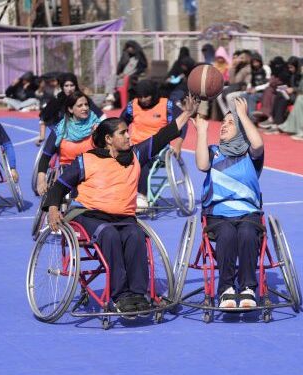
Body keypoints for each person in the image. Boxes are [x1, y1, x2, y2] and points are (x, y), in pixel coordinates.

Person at [43, 95, 198, 313]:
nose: (129, 135)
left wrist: (187, 114)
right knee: (109, 235)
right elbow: (59, 186)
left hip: (123, 218)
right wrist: (52, 208)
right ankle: (120, 295)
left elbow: (164, 136)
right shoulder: (87, 160)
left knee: (135, 236)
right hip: (88, 215)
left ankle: (138, 293)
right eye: (123, 133)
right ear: (108, 139)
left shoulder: (135, 155)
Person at [194, 97, 264, 309]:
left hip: (248, 213)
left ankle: (248, 288)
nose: (224, 125)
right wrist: (202, 131)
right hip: (218, 214)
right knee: (226, 234)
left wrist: (241, 115)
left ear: (242, 129)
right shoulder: (214, 151)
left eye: (230, 123)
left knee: (246, 233)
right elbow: (201, 165)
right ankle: (226, 288)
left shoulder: (250, 155)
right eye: (223, 122)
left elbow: (258, 143)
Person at [120, 80, 186, 209]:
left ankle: (142, 195)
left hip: (158, 148)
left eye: (146, 96)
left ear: (153, 94)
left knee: (140, 160)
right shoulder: (132, 106)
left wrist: (178, 144)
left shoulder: (167, 105)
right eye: (140, 96)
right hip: (135, 146)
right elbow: (120, 123)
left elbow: (182, 124)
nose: (143, 99)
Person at [36, 91, 100, 196]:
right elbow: (46, 156)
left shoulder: (97, 126)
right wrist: (41, 180)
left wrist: (98, 137)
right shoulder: (60, 129)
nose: (85, 108)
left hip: (92, 173)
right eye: (80, 105)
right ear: (70, 109)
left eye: (86, 104)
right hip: (68, 173)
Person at [37, 73, 104, 146]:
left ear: (76, 86)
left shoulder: (84, 100)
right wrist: (42, 136)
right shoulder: (56, 101)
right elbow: (43, 118)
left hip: (84, 139)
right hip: (62, 139)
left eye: (72, 85)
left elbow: (102, 117)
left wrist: (98, 132)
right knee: (47, 155)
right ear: (62, 86)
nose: (69, 89)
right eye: (66, 86)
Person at [272, 59, 303, 140]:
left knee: (300, 99)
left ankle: (300, 130)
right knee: (285, 96)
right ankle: (290, 126)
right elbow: (301, 88)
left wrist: (298, 92)